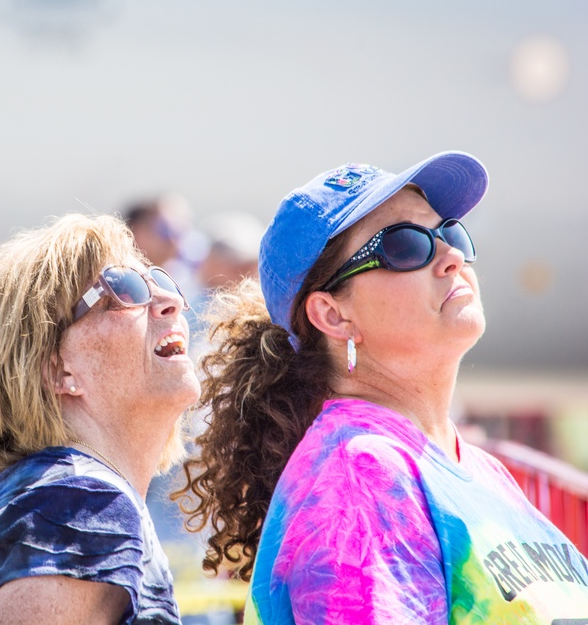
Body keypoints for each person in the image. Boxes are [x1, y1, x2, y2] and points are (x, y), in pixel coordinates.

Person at [176, 152, 588, 622]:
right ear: (333, 315)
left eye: (449, 232)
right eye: (406, 246)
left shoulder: (479, 469)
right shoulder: (359, 474)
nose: (451, 257)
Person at [0, 213, 200, 624]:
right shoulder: (80, 502)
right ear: (58, 370)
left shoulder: (65, 493)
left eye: (161, 282)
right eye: (123, 288)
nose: (170, 301)